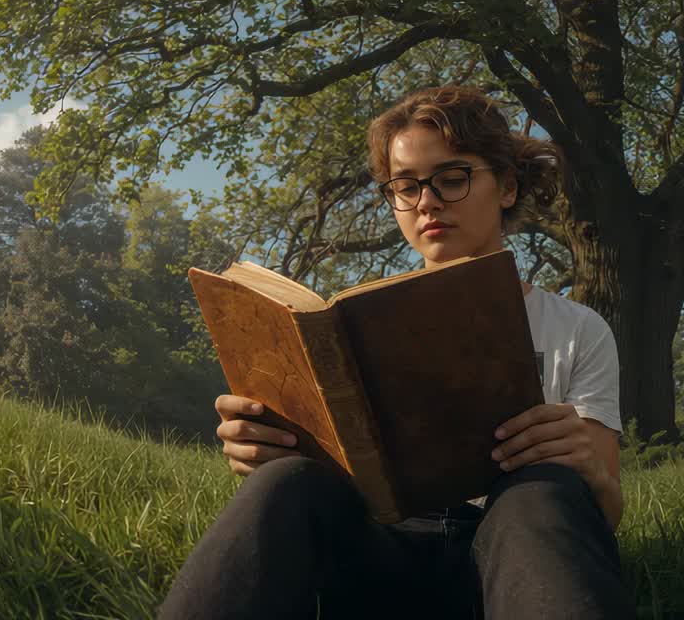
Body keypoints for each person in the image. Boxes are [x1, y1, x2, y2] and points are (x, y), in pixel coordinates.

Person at [158, 85, 636, 619]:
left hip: (509, 560)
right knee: (284, 483)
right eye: (404, 187)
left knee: (539, 491)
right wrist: (261, 446)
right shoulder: (358, 329)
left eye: (451, 179)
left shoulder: (577, 328)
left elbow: (607, 513)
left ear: (506, 186)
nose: (426, 201)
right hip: (375, 556)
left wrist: (587, 469)